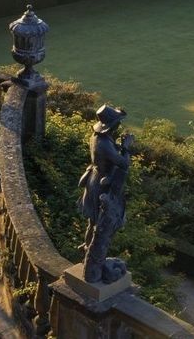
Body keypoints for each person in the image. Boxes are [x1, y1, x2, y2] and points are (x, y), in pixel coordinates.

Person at [78, 104, 133, 283]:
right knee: (100, 222)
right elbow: (123, 164)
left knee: (92, 220)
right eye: (117, 122)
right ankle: (93, 257)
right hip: (101, 184)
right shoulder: (104, 143)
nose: (119, 126)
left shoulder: (98, 138)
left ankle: (87, 249)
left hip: (94, 179)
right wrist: (126, 147)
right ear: (112, 125)